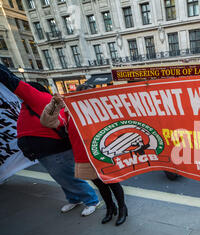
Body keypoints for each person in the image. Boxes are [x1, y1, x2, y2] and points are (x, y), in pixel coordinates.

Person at [0, 64, 99, 215]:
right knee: (61, 177)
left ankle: (91, 200)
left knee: (67, 176)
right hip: (45, 150)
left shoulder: (37, 97)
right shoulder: (34, 102)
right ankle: (74, 198)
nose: (20, 95)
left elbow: (11, 80)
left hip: (55, 148)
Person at [40, 85, 128, 226]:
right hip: (84, 156)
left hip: (103, 154)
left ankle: (123, 208)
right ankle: (111, 208)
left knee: (112, 182)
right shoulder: (68, 113)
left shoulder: (103, 110)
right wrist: (55, 104)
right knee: (101, 185)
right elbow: (47, 122)